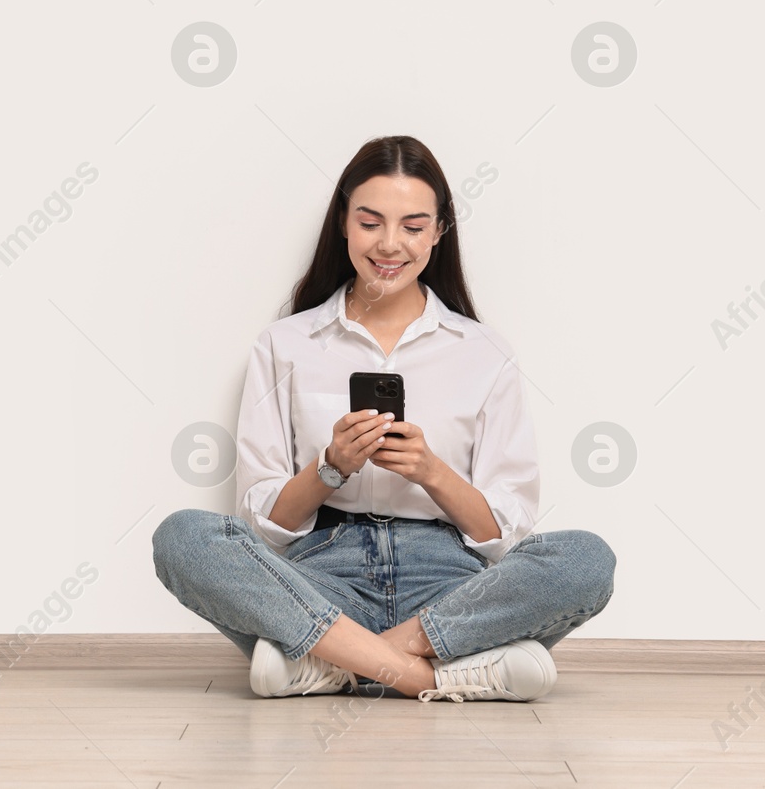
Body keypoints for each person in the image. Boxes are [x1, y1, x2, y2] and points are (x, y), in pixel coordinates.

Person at [152, 135, 616, 702]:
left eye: (413, 227)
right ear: (343, 224)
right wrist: (328, 469)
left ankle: (330, 663)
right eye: (370, 222)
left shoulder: (484, 352)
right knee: (185, 538)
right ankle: (433, 676)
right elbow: (261, 524)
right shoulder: (285, 344)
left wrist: (431, 473)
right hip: (321, 578)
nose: (390, 244)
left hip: (447, 585)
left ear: (439, 232)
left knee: (586, 558)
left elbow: (506, 533)